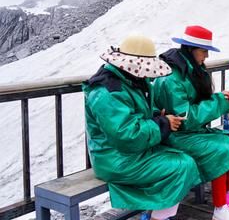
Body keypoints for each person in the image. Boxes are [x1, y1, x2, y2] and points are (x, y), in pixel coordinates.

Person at [83, 35, 201, 220]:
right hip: (114, 158)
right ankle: (157, 217)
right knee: (182, 166)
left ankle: (156, 214)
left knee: (186, 159)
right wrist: (163, 123)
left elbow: (134, 113)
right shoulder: (107, 91)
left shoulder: (130, 80)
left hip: (130, 153)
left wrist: (156, 115)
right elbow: (125, 134)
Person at [153, 26, 229, 220]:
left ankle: (227, 200)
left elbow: (196, 104)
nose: (206, 56)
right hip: (175, 135)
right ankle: (220, 208)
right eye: (203, 51)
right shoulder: (173, 77)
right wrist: (219, 102)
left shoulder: (190, 69)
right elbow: (185, 118)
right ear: (190, 49)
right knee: (221, 149)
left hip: (191, 132)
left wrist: (219, 97)